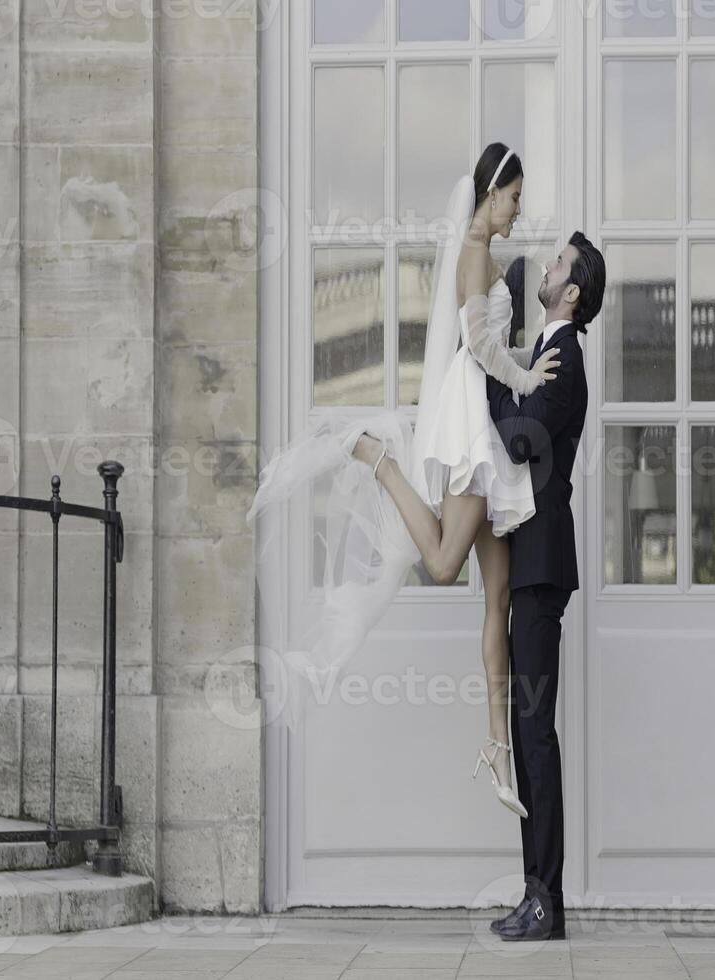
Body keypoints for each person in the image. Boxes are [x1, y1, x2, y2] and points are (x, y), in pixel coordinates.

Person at [246, 142, 559, 816]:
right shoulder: (474, 249)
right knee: (446, 565)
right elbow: (476, 344)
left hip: (489, 422)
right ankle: (381, 461)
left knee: (497, 600)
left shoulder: (486, 251)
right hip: (474, 421)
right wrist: (527, 376)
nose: (518, 211)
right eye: (514, 198)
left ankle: (496, 748)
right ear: (491, 191)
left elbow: (496, 328)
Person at [483, 231, 604, 944]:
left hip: (538, 567)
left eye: (557, 263)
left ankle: (545, 899)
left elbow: (522, 437)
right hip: (526, 563)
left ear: (573, 291)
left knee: (535, 734)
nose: (548, 267)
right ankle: (538, 895)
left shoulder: (563, 356)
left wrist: (494, 373)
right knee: (530, 731)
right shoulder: (549, 350)